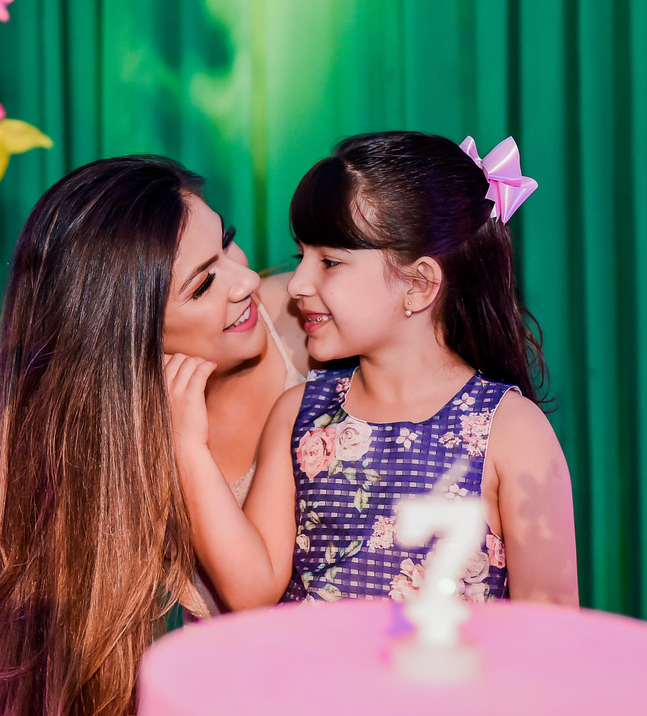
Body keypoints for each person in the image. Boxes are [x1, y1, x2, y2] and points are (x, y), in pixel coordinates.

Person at [167, 131, 579, 611]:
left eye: (329, 262)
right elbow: (251, 591)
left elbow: (551, 628)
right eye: (302, 256)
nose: (297, 284)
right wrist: (188, 449)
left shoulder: (512, 429)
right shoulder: (298, 413)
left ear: (419, 284)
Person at [0, 156, 308, 716]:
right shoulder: (109, 452)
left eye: (227, 242)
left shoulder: (311, 321)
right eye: (203, 284)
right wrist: (185, 451)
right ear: (132, 333)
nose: (246, 281)